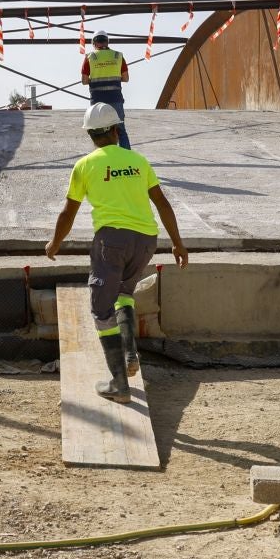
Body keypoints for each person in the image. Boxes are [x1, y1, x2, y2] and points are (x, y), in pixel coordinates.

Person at [43, 102, 187, 403]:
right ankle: (131, 352)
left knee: (100, 310)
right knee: (123, 294)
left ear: (91, 135)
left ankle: (119, 385)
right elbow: (161, 203)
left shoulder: (85, 165)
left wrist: (55, 243)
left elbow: (69, 211)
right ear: (115, 129)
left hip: (112, 242)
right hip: (146, 239)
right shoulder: (138, 161)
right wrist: (177, 242)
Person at [80, 31, 131, 149]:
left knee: (98, 132)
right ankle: (127, 157)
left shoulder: (90, 57)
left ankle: (102, 159)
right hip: (115, 99)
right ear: (107, 42)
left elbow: (84, 81)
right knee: (120, 130)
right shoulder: (118, 56)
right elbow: (126, 78)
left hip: (97, 101)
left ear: (93, 43)